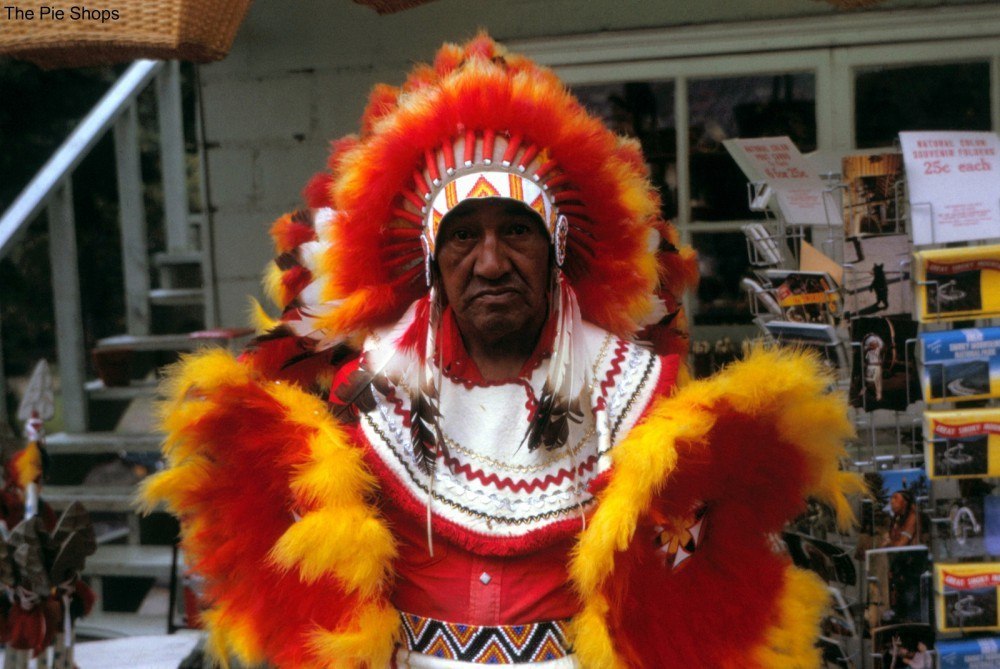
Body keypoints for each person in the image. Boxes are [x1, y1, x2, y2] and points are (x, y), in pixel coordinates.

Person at [142, 34, 861, 668]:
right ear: (432, 261)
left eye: (515, 230)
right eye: (463, 236)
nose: (489, 262)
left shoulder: (641, 393)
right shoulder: (362, 397)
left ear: (555, 252)